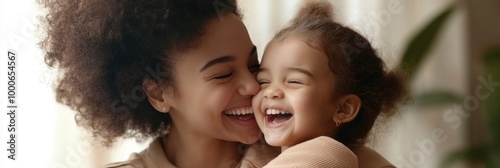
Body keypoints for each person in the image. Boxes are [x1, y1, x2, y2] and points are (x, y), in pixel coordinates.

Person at [38, 0, 280, 167]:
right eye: (223, 74)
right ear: (158, 93)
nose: (253, 86)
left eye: (253, 65)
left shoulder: (301, 156)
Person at [252, 0, 408, 167]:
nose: (270, 91)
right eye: (263, 81)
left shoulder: (320, 157)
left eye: (294, 81)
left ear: (343, 108)